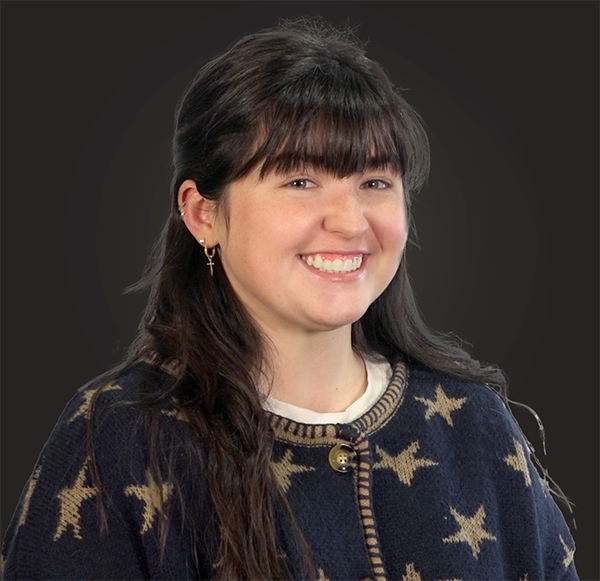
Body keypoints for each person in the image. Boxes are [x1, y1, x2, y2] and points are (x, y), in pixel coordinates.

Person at [1, 19, 578, 581]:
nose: (350, 222)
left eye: (375, 182)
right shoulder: (118, 437)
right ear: (203, 214)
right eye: (301, 181)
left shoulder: (475, 422)